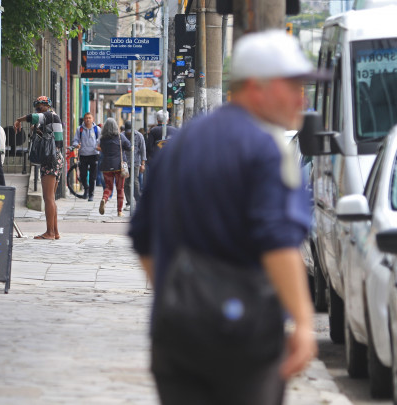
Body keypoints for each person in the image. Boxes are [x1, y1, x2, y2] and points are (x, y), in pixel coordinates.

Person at [130, 30, 319, 404]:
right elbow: (280, 244)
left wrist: (181, 297)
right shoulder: (268, 150)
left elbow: (143, 239)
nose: (301, 98)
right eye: (292, 86)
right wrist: (303, 322)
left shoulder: (181, 144)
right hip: (245, 338)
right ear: (257, 88)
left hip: (175, 336)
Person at [14, 95, 64, 240]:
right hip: (56, 158)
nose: (38, 110)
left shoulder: (49, 115)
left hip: (50, 159)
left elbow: (32, 117)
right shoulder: (52, 118)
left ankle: (50, 232)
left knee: (48, 198)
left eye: (40, 107)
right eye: (37, 108)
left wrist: (18, 120)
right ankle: (55, 232)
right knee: (51, 198)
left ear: (47, 106)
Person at [96, 118, 132, 217]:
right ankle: (119, 211)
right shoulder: (120, 137)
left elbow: (102, 149)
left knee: (108, 187)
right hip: (119, 167)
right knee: (120, 189)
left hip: (106, 166)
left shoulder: (103, 139)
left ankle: (104, 199)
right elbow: (129, 147)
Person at [71, 112, 100, 201]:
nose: (88, 120)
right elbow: (75, 140)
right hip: (83, 154)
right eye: (86, 118)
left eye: (89, 118)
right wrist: (76, 145)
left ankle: (91, 194)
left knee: (92, 177)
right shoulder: (79, 129)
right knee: (83, 175)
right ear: (84, 119)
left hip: (94, 154)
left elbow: (101, 140)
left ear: (92, 119)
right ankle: (86, 189)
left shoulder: (97, 129)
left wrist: (99, 147)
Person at [122, 123, 146, 211]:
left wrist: (143, 164)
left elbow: (143, 150)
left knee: (135, 182)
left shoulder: (139, 136)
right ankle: (129, 202)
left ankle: (138, 201)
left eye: (130, 132)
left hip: (135, 163)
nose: (128, 133)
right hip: (125, 163)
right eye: (127, 132)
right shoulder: (122, 135)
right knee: (126, 183)